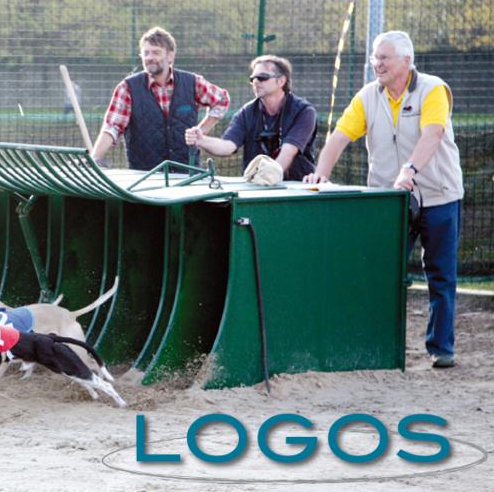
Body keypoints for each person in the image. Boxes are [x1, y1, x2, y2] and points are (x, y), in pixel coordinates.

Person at [303, 31, 463, 369]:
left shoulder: (433, 89)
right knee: (379, 272)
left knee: (441, 274)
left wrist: (410, 169)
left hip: (439, 195)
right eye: (375, 57)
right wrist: (321, 174)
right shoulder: (367, 96)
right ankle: (374, 347)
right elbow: (340, 136)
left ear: (407, 61)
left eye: (385, 57)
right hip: (389, 199)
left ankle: (441, 348)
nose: (377, 63)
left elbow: (433, 133)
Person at [90, 27, 230, 171]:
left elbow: (222, 100)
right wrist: (94, 159)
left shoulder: (193, 83)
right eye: (146, 53)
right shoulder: (128, 88)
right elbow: (112, 127)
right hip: (145, 177)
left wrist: (200, 131)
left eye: (156, 52)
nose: (150, 57)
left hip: (187, 176)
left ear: (170, 56)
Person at [185, 55, 316, 181]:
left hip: (297, 188)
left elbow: (288, 151)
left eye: (262, 77)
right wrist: (201, 140)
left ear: (281, 81)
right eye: (252, 78)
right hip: (257, 187)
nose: (256, 82)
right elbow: (227, 146)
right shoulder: (246, 112)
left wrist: (269, 177)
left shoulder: (304, 112)